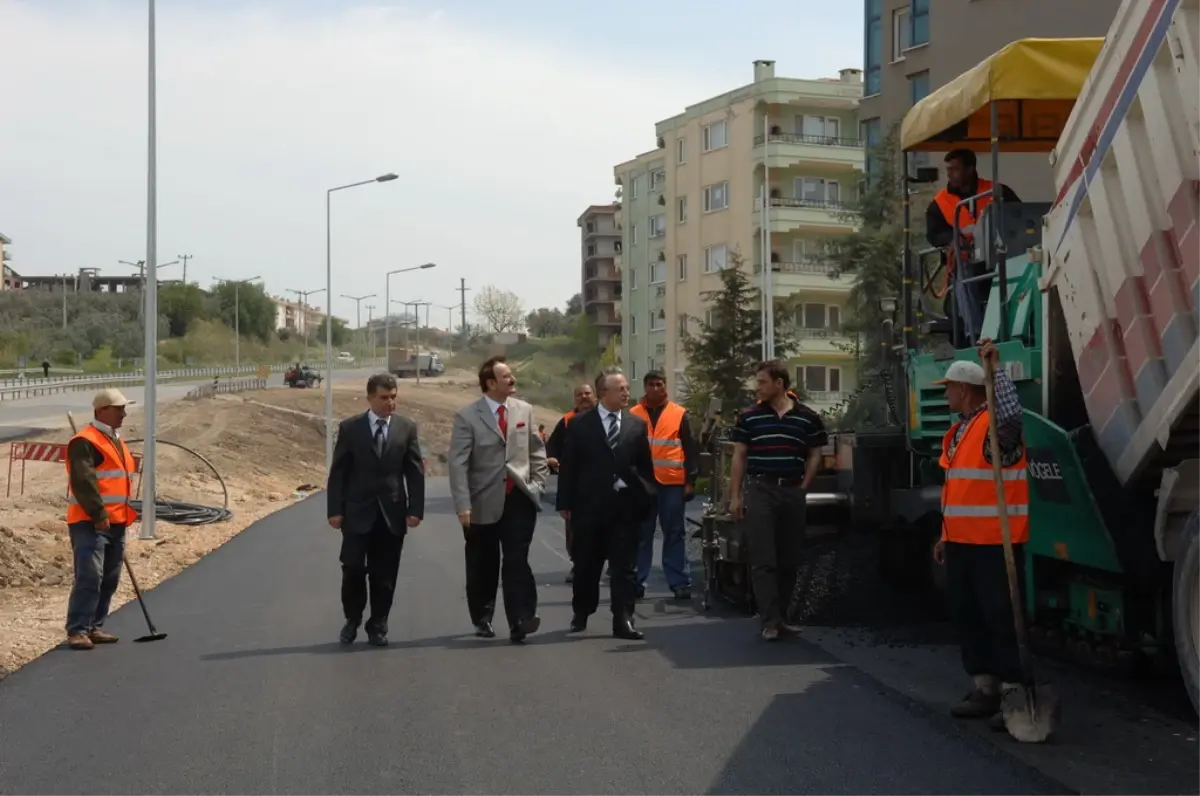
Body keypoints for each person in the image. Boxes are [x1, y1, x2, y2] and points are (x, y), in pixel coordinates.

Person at [930, 339, 1028, 726]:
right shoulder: (958, 433)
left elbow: (1010, 413)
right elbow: (958, 488)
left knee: (999, 616)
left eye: (950, 388)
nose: (947, 394)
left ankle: (1012, 696)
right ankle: (984, 687)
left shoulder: (996, 429)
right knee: (967, 614)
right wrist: (944, 534)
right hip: (960, 542)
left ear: (967, 390)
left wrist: (995, 370)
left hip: (993, 543)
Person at [448, 356, 549, 643]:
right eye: (506, 376)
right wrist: (463, 505)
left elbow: (537, 451)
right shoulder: (468, 416)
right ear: (491, 383)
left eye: (511, 374)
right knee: (484, 562)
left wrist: (537, 484)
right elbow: (458, 464)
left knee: (517, 560)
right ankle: (482, 617)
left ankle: (521, 619)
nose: (512, 379)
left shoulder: (524, 410)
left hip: (519, 497)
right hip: (482, 501)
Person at [729, 362, 828, 641]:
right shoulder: (749, 417)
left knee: (789, 559)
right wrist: (735, 496)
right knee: (763, 560)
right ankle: (769, 620)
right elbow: (739, 456)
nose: (757, 387)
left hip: (792, 491)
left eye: (762, 382)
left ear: (780, 384)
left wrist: (804, 488)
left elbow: (815, 454)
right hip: (761, 490)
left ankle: (782, 617)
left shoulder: (808, 418)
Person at [556, 366, 655, 640]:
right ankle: (582, 611)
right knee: (587, 566)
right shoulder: (579, 424)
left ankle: (623, 619)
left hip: (625, 509)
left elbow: (645, 467)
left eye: (626, 388)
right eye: (620, 388)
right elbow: (569, 466)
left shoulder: (636, 425)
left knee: (625, 568)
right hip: (589, 508)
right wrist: (564, 502)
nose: (626, 392)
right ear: (603, 393)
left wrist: (645, 494)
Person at [326, 373, 425, 647]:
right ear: (370, 398)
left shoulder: (406, 427)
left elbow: (414, 471)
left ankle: (378, 625)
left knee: (385, 575)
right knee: (353, 569)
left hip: (391, 515)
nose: (389, 402)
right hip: (357, 513)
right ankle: (352, 619)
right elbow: (339, 473)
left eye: (393, 397)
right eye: (384, 397)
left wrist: (415, 508)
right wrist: (335, 510)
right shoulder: (351, 428)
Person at [64, 388, 139, 650]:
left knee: (109, 577)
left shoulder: (115, 440)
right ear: (102, 411)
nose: (124, 413)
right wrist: (98, 513)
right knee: (90, 575)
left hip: (117, 521)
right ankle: (77, 630)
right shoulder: (85, 441)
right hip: (90, 521)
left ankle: (95, 625)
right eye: (119, 409)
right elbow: (83, 481)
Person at [630, 370, 698, 600]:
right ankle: (637, 580)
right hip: (642, 485)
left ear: (665, 386)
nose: (655, 388)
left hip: (672, 483)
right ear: (645, 387)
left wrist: (690, 481)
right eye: (651, 384)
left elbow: (690, 449)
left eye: (659, 384)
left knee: (675, 533)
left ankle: (679, 582)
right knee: (641, 533)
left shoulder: (679, 414)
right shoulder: (633, 414)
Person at [545, 382, 596, 584]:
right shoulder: (567, 422)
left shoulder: (606, 418)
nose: (584, 397)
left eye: (587, 393)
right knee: (575, 529)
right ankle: (579, 565)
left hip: (603, 483)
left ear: (595, 395)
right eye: (579, 394)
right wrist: (551, 459)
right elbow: (551, 449)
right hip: (574, 485)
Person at [925, 148, 1021, 251]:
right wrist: (952, 239)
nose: (949, 174)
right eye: (948, 169)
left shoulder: (997, 191)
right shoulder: (939, 202)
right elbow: (934, 234)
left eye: (955, 169)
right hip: (963, 260)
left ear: (970, 169)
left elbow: (1019, 216)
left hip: (999, 254)